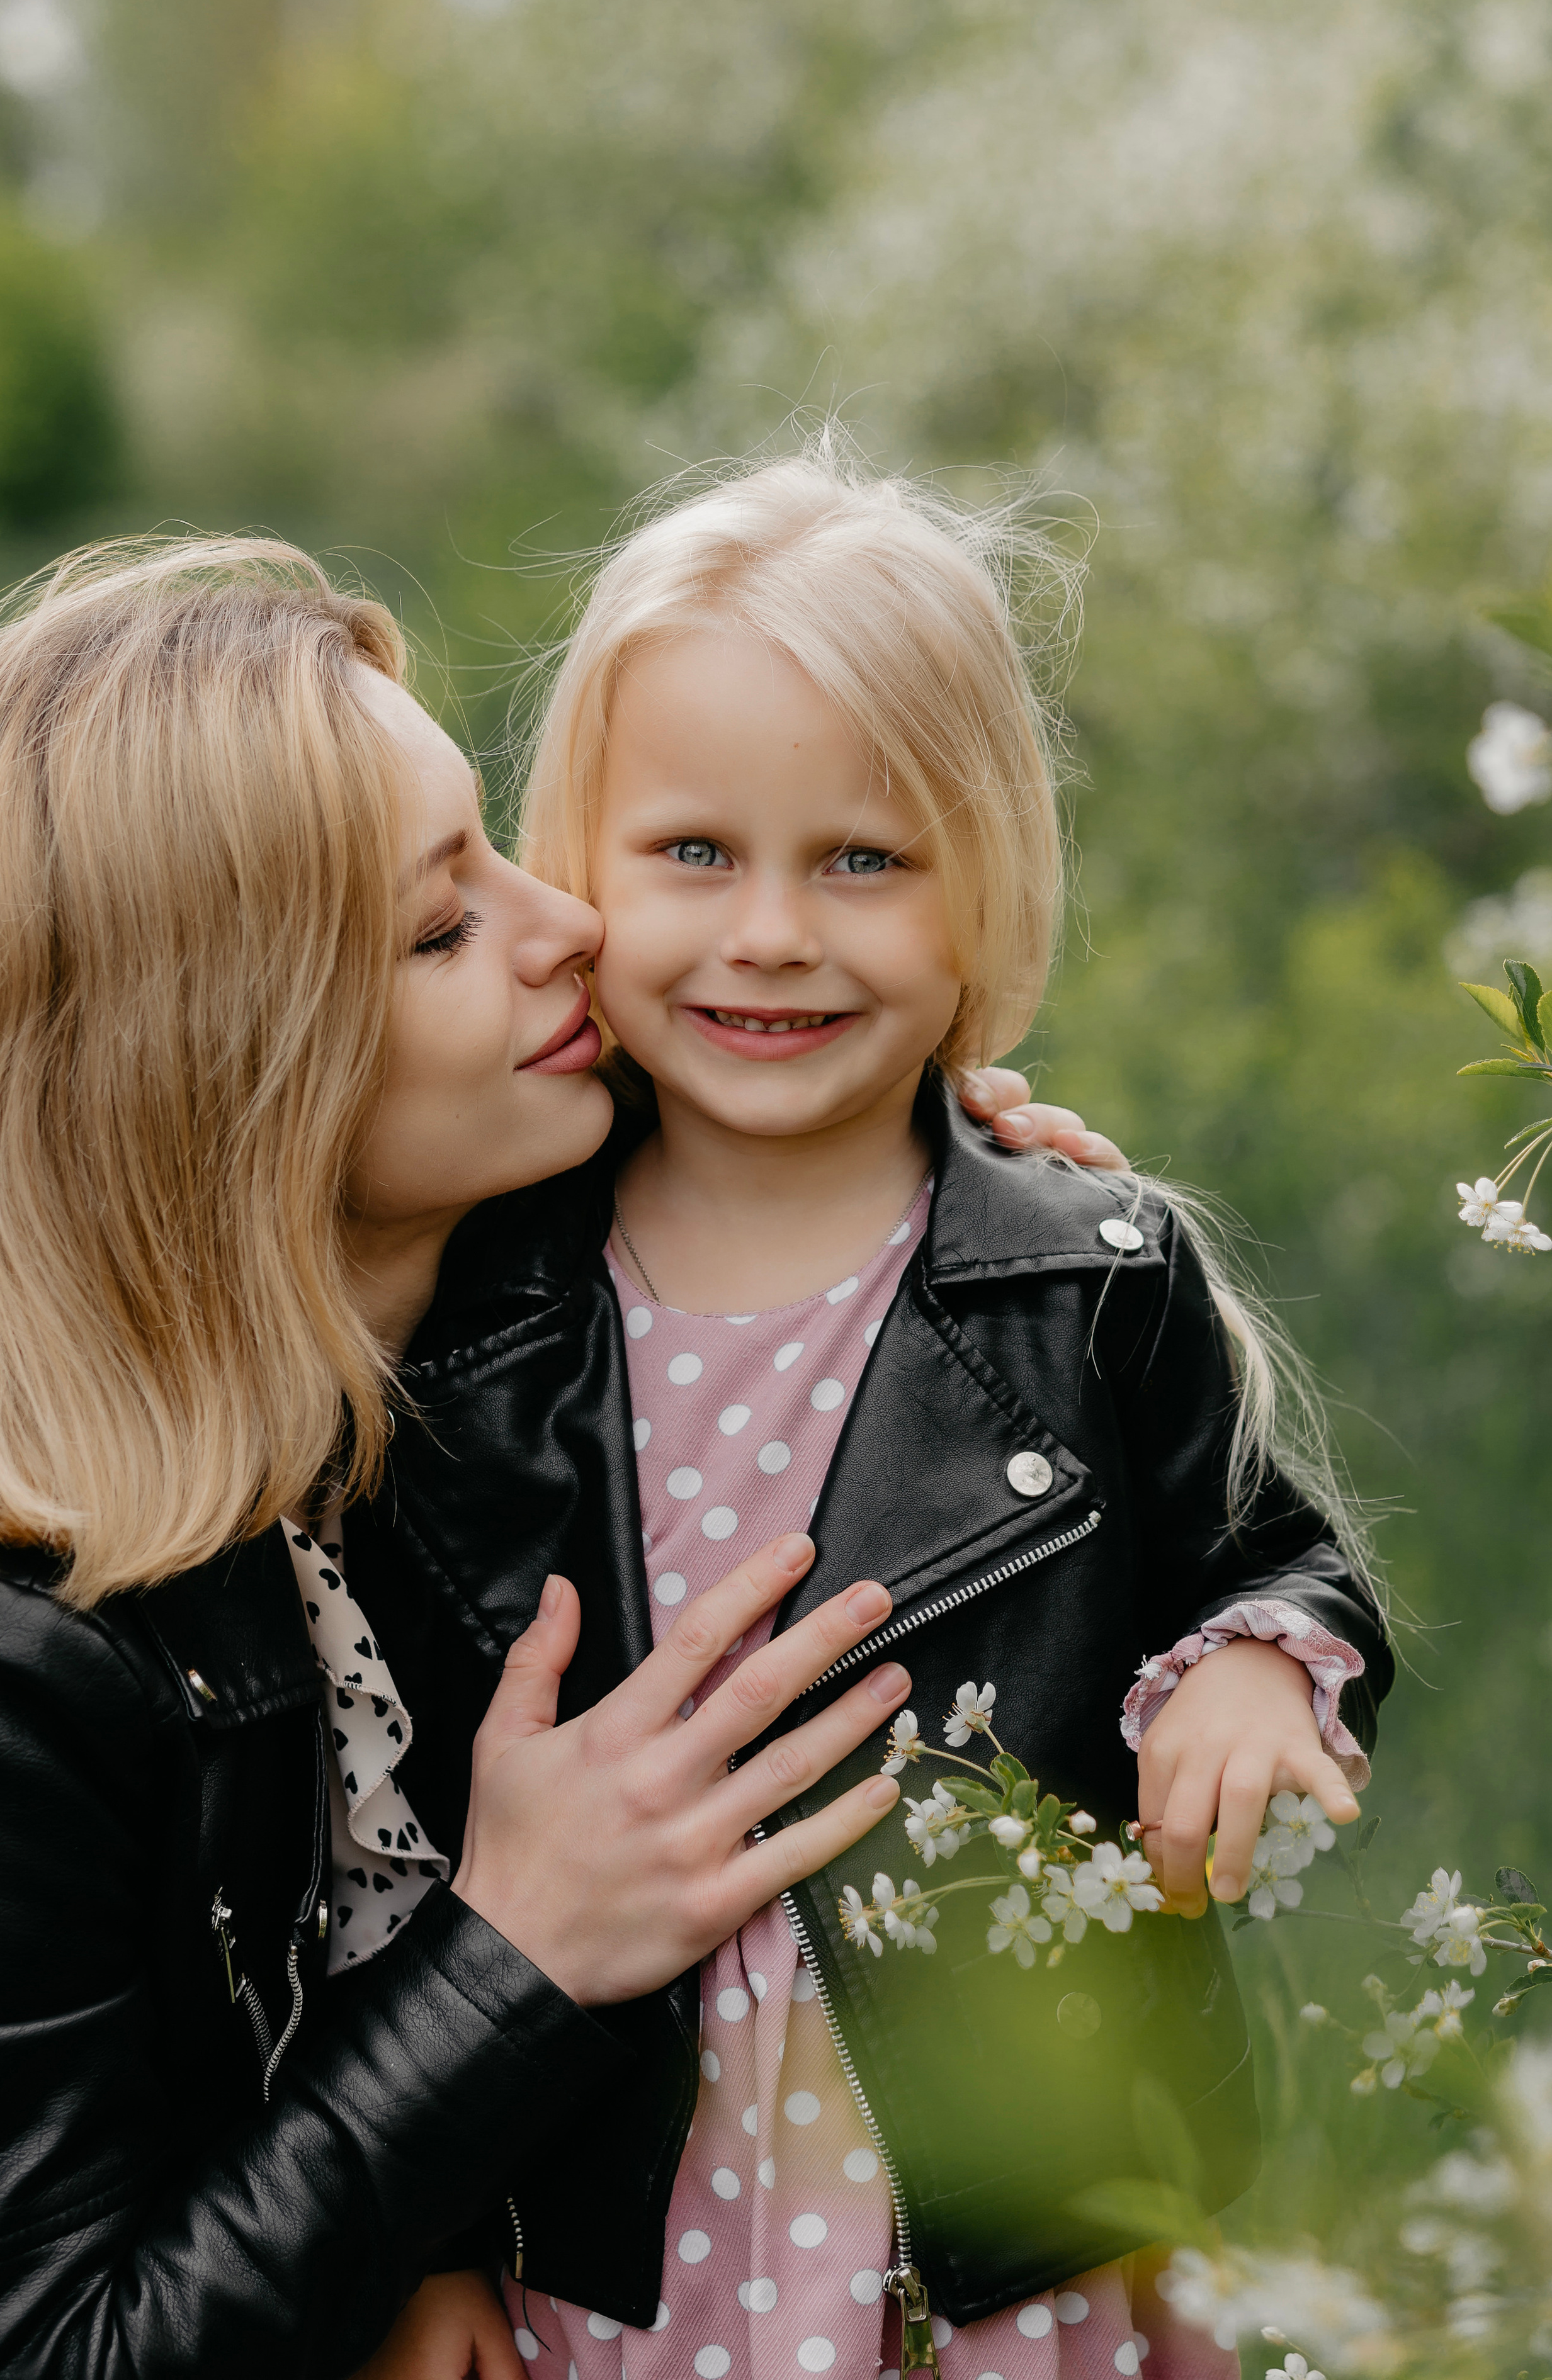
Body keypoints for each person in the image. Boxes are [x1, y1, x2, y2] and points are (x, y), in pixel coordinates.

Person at [0, 533, 1106, 2380]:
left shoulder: (479, 1384)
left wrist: (915, 1169)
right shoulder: (2, 1666)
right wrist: (513, 1959)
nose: (563, 920)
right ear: (226, 1074)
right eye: (442, 924)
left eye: (496, 843)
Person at [347, 452, 1393, 2379]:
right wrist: (415, 2246)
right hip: (599, 2248)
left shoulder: (1084, 1276)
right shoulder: (470, 1309)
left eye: (861, 860)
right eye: (689, 854)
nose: (769, 935)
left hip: (1009, 2242)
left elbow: (1276, 1560)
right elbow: (389, 1833)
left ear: (982, 877)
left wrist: (1255, 1671)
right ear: (576, 865)